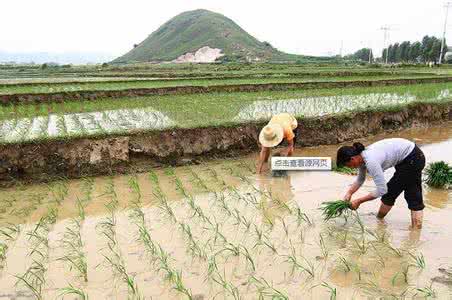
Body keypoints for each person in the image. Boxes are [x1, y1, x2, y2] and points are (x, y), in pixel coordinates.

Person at [336, 138, 426, 229]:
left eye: (349, 165)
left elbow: (382, 190)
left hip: (412, 158)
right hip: (412, 157)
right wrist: (349, 193)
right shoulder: (361, 157)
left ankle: (380, 221)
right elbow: (360, 179)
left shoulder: (371, 161)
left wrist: (359, 201)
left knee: (392, 193)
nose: (351, 168)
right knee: (411, 193)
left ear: (352, 159)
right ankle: (415, 231)